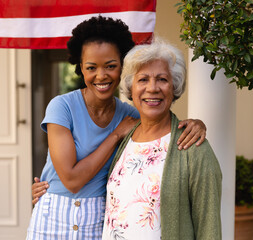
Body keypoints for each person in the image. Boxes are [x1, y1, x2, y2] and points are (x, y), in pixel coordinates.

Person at [26, 16, 207, 240]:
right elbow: (71, 181)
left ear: (122, 66)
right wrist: (115, 135)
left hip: (99, 217)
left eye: (110, 66)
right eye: (91, 67)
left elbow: (160, 122)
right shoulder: (62, 107)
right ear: (80, 68)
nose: (101, 76)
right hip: (54, 215)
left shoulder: (131, 115)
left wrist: (196, 124)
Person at [102, 38, 222, 240]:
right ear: (131, 88)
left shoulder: (193, 147)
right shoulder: (124, 141)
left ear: (173, 87)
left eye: (162, 79)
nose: (152, 88)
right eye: (143, 79)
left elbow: (209, 227)